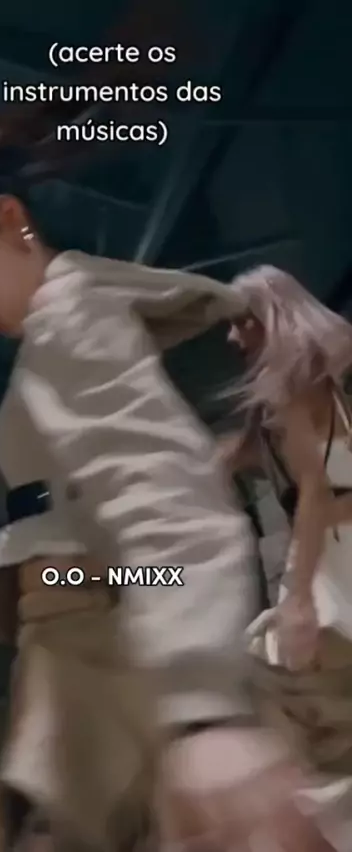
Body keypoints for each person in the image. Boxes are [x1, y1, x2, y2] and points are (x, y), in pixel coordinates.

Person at [0, 175, 332, 852]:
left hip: (113, 657)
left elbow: (159, 492)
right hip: (83, 660)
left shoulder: (73, 319)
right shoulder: (52, 342)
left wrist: (202, 706)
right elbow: (41, 530)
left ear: (13, 220)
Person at [224, 263, 352, 845]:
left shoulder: (296, 389)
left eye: (240, 322)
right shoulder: (321, 382)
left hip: (330, 561)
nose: (232, 338)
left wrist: (299, 597)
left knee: (293, 684)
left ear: (267, 316)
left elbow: (314, 494)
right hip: (333, 551)